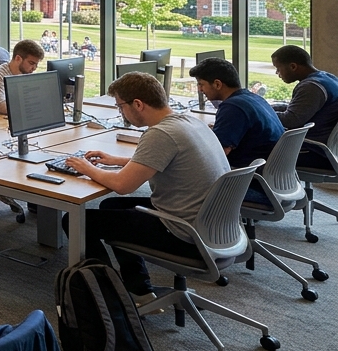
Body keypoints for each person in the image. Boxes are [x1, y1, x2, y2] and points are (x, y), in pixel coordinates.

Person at [62, 72, 229, 299]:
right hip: (213, 225)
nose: (121, 112)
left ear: (138, 104)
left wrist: (86, 167)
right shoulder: (186, 122)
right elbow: (167, 159)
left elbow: (122, 185)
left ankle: (108, 294)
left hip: (185, 233)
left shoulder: (160, 133)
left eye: (121, 106)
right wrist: (117, 160)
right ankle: (139, 288)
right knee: (111, 206)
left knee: (75, 220)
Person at [190, 58, 283, 203]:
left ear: (217, 84)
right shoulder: (253, 98)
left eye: (201, 84)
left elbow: (218, 154)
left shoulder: (233, 107)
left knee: (181, 177)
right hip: (271, 180)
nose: (199, 90)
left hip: (250, 183)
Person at [270, 45, 338, 168]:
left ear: (293, 67)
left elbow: (291, 120)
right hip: (328, 150)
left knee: (254, 153)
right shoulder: (327, 78)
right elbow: (299, 108)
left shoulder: (311, 87)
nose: (277, 73)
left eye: (278, 68)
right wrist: (270, 107)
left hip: (316, 152)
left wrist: (264, 113)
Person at [0, 39, 45, 116]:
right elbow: (0, 105)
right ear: (18, 58)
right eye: (31, 63)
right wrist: (30, 108)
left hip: (17, 115)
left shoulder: (26, 73)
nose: (34, 68)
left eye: (36, 64)